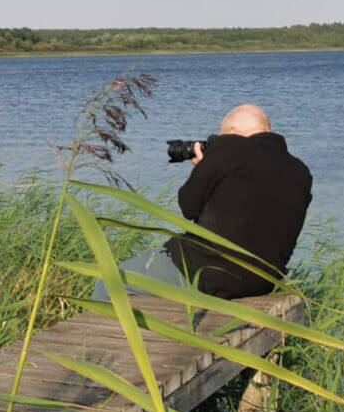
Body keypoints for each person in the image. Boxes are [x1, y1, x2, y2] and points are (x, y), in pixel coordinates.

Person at [98, 104, 313, 301]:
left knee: (109, 282)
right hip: (262, 282)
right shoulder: (300, 172)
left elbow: (188, 206)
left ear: (232, 132)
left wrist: (202, 169)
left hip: (205, 274)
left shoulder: (230, 146)